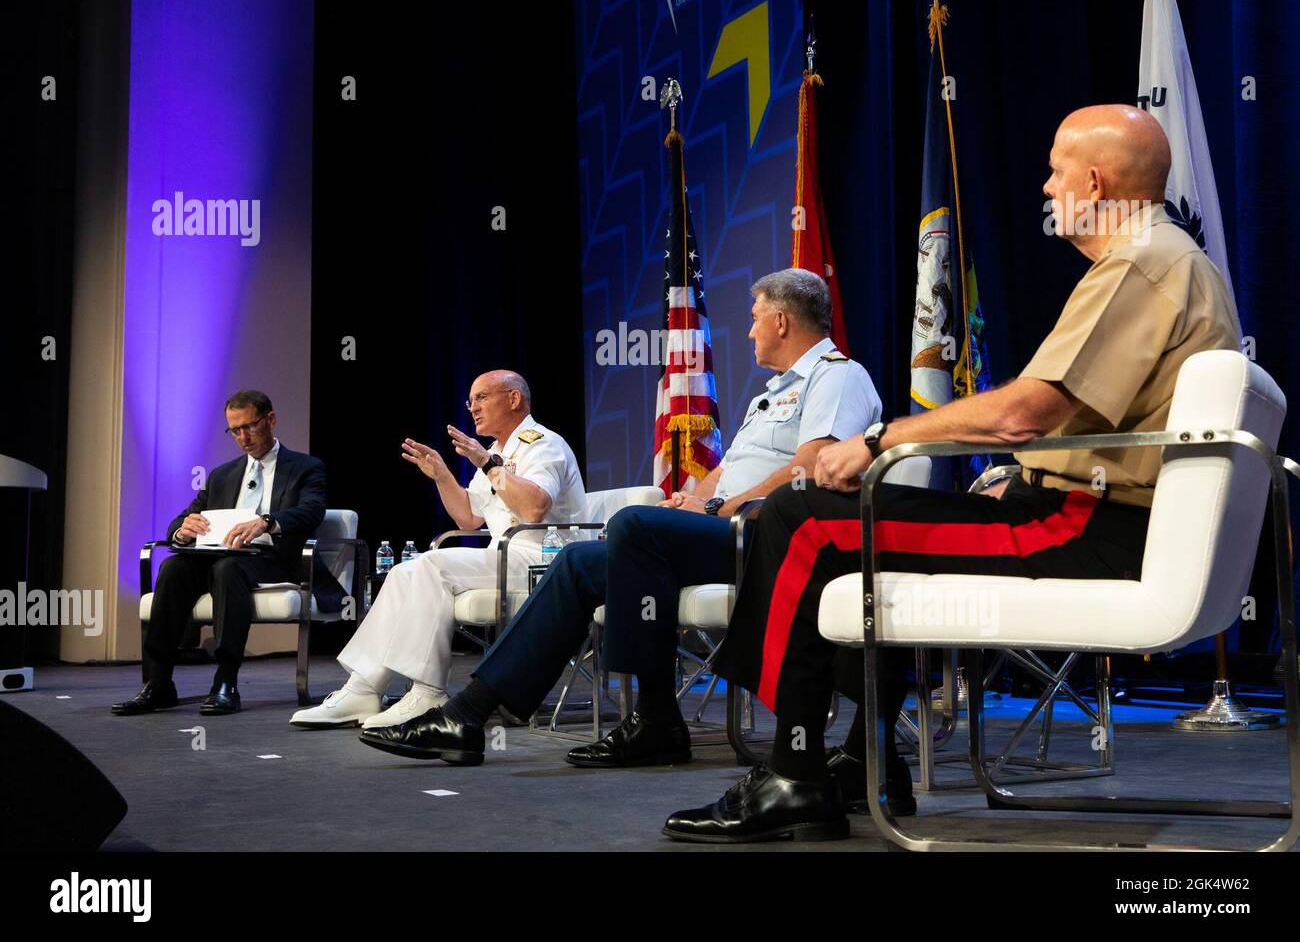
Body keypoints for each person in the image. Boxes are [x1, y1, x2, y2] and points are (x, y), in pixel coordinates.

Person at [663, 104, 1242, 843]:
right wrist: (1026, 475)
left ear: (1094, 182)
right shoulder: (1169, 258)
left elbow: (1022, 414)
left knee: (802, 519)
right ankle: (865, 758)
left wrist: (879, 440)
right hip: (1082, 516)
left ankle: (793, 772)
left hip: (1084, 532)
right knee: (848, 527)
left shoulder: (1140, 261)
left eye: (1057, 169)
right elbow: (1090, 423)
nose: (1045, 185)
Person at [357, 268, 882, 766]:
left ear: (782, 321)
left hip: (773, 537)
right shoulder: (771, 394)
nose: (748, 332)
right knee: (581, 563)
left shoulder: (839, 377)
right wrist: (696, 498)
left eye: (753, 318)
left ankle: (654, 720)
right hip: (731, 528)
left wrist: (717, 507)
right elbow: (723, 473)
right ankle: (470, 716)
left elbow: (812, 467)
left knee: (634, 523)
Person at [290, 370, 585, 729]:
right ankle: (363, 688)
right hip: (505, 555)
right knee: (404, 571)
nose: (473, 408)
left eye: (482, 398)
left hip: (547, 562)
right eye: (470, 401)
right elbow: (469, 518)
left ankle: (428, 692)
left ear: (513, 399)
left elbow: (534, 508)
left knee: (431, 566)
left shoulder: (542, 444)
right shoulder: (495, 452)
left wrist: (486, 464)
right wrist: (443, 475)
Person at [112, 390, 332, 717]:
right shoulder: (222, 475)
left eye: (250, 427)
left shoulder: (304, 467)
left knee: (228, 570)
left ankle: (225, 682)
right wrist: (181, 530)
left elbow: (312, 510)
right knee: (174, 568)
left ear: (270, 420)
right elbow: (185, 516)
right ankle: (158, 683)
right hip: (218, 557)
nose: (242, 437)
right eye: (234, 430)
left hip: (273, 560)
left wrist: (268, 523)